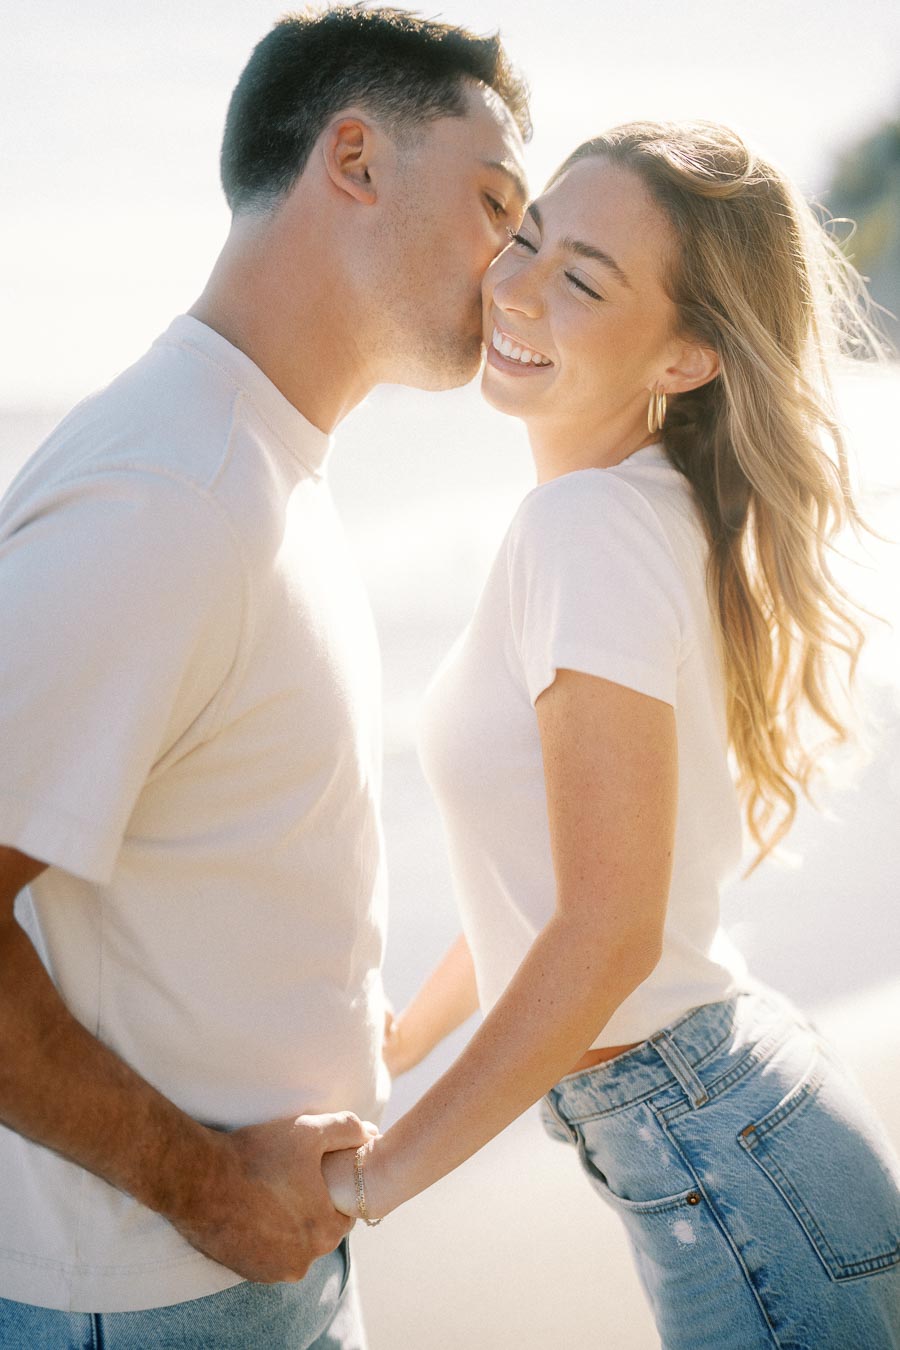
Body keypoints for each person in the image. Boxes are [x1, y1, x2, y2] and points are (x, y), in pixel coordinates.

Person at [0, 8, 529, 1347]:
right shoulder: (169, 494)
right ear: (354, 160)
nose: (517, 262)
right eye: (494, 202)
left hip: (245, 1273)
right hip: (164, 1294)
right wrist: (218, 1193)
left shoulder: (255, 460)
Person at [323, 121, 900, 1346]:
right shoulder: (630, 512)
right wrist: (397, 1039)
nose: (518, 289)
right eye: (525, 237)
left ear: (689, 356)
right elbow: (549, 875)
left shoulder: (584, 531)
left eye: (583, 279)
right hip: (735, 1130)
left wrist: (376, 1183)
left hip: (725, 1158)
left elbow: (606, 932)